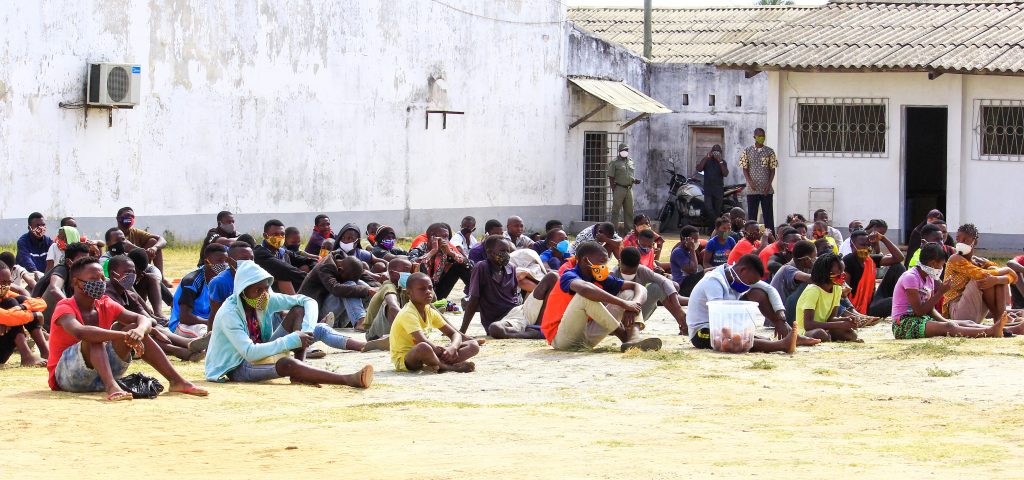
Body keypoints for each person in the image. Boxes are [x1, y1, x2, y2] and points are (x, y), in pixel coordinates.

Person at [48, 257, 208, 400]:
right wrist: (123, 335)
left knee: (134, 328)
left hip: (98, 375)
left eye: (102, 278)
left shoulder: (105, 303)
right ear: (76, 282)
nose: (100, 282)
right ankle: (111, 387)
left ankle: (176, 381)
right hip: (67, 376)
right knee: (94, 337)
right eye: (93, 279)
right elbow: (80, 332)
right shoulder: (65, 307)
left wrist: (139, 331)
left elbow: (143, 319)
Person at [204, 261, 373, 387]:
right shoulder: (230, 313)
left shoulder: (264, 300)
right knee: (286, 364)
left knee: (299, 311)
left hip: (261, 350)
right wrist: (291, 340)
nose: (264, 294)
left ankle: (300, 372)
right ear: (243, 291)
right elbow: (249, 353)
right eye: (258, 290)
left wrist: (306, 330)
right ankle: (348, 379)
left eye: (265, 289)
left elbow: (307, 301)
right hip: (236, 365)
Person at [540, 241, 661, 352]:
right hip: (562, 339)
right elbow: (585, 289)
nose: (605, 266)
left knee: (629, 293)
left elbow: (638, 287)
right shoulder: (569, 275)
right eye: (602, 262)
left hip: (586, 339)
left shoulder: (599, 276)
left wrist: (634, 305)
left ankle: (634, 337)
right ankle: (624, 336)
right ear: (586, 261)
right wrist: (623, 304)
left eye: (606, 262)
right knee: (584, 297)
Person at [686, 254, 812, 352]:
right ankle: (780, 345)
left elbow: (769, 289)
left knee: (759, 293)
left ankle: (789, 334)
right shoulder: (714, 282)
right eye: (750, 282)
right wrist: (746, 336)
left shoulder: (739, 276)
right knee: (733, 340)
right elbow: (721, 320)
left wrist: (780, 318)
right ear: (742, 270)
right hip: (703, 331)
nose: (749, 285)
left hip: (727, 324)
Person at [892, 244, 1015, 339]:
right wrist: (940, 293)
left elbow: (930, 309)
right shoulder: (911, 277)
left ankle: (995, 329)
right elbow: (918, 311)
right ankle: (990, 332)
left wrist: (945, 320)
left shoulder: (928, 277)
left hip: (921, 319)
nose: (941, 269)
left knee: (965, 322)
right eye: (941, 265)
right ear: (933, 263)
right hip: (903, 324)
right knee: (950, 327)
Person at [105, 255, 201, 362]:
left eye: (133, 272)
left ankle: (188, 343)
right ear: (113, 274)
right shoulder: (107, 295)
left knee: (150, 327)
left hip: (133, 334)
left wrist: (151, 327)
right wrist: (149, 328)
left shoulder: (130, 295)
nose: (132, 276)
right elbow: (120, 323)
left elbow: (150, 320)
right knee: (137, 328)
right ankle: (178, 350)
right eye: (128, 272)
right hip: (111, 339)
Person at [390, 272, 480, 373]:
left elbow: (454, 334)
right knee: (423, 347)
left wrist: (452, 348)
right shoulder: (408, 313)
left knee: (473, 345)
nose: (428, 292)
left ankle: (438, 364)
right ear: (409, 293)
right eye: (422, 289)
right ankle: (449, 367)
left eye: (430, 288)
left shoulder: (429, 311)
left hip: (431, 354)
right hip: (408, 358)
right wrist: (438, 351)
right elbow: (421, 340)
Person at [460, 236, 537, 334]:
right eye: (502, 250)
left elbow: (514, 298)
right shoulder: (482, 267)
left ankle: (531, 328)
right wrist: (462, 330)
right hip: (496, 319)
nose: (506, 254)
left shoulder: (511, 268)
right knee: (496, 329)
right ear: (490, 252)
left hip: (515, 312)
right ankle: (529, 332)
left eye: (508, 251)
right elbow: (474, 299)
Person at [942, 224, 1015, 324]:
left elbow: (1013, 278)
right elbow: (982, 274)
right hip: (958, 313)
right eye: (958, 239)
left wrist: (997, 279)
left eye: (965, 240)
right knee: (982, 277)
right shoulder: (955, 259)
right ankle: (999, 317)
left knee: (992, 272)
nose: (960, 243)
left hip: (975, 311)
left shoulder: (977, 261)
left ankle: (1000, 317)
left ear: (974, 242)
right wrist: (1007, 270)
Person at [614, 247, 688, 335]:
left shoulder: (641, 270)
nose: (629, 274)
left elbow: (665, 281)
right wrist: (627, 306)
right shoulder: (612, 274)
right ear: (619, 262)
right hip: (617, 317)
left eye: (632, 272)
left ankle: (683, 324)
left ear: (638, 265)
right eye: (625, 271)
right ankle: (625, 331)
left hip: (637, 314)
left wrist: (678, 308)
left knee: (657, 287)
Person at [297, 254, 377, 330]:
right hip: (314, 315)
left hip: (334, 318)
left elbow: (367, 279)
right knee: (350, 285)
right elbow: (335, 289)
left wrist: (380, 289)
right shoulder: (325, 267)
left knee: (361, 285)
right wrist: (368, 290)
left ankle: (364, 319)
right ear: (340, 270)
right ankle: (360, 320)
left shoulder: (347, 265)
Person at [168, 244, 229, 340]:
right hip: (183, 325)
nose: (224, 264)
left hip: (208, 322)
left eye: (226, 261)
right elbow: (185, 317)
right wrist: (211, 323)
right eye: (219, 261)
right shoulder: (192, 281)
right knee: (205, 332)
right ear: (206, 262)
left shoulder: (223, 280)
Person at [797, 253, 858, 342]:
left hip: (824, 328)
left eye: (843, 271)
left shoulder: (837, 289)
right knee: (819, 334)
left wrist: (847, 320)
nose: (843, 275)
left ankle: (829, 336)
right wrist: (840, 324)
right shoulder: (813, 291)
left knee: (851, 334)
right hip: (806, 331)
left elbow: (830, 319)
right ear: (825, 272)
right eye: (839, 273)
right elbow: (808, 324)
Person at [844, 229, 905, 317]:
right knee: (895, 300)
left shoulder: (870, 259)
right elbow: (845, 290)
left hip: (874, 300)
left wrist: (883, 238)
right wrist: (851, 311)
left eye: (868, 245)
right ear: (852, 245)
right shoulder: (848, 260)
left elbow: (899, 258)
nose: (865, 248)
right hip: (860, 307)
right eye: (862, 245)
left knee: (898, 267)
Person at [33, 242, 92, 331]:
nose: (85, 265)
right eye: (82, 261)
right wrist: (73, 308)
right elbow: (54, 288)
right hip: (39, 317)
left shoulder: (81, 276)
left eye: (87, 261)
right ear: (69, 262)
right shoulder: (62, 269)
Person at [0, 262, 48, 367]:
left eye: (9, 282)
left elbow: (41, 303)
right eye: (3, 282)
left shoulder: (5, 294)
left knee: (20, 300)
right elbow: (9, 317)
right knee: (11, 304)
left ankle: (45, 351)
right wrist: (35, 315)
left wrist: (23, 307)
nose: (6, 286)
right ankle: (26, 355)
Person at [408, 223, 472, 300]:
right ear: (433, 237)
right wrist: (432, 251)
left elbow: (469, 265)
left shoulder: (445, 249)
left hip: (438, 291)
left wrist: (451, 253)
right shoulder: (419, 249)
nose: (447, 240)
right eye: (444, 237)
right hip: (421, 292)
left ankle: (475, 296)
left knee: (459, 265)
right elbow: (413, 264)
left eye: (447, 237)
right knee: (420, 266)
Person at [487, 271, 556, 340]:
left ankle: (538, 330)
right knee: (495, 328)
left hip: (536, 318)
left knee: (553, 276)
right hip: (522, 314)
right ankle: (537, 331)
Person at [364, 258, 413, 341]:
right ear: (392, 273)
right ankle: (392, 336)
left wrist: (418, 276)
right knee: (391, 304)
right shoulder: (388, 286)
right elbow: (393, 307)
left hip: (383, 330)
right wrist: (412, 327)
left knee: (416, 300)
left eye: (410, 271)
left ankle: (395, 336)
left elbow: (432, 299)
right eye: (406, 270)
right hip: (373, 333)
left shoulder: (401, 288)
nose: (409, 274)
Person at [115, 207, 169, 283]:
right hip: (123, 267)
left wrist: (154, 248)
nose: (130, 218)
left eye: (132, 217)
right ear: (118, 218)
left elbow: (162, 240)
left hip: (139, 264)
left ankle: (161, 278)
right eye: (127, 215)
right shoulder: (113, 233)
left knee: (153, 241)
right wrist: (144, 252)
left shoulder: (135, 232)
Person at [253, 219, 307, 294]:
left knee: (305, 266)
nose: (280, 237)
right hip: (265, 291)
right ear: (265, 236)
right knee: (283, 277)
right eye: (275, 234)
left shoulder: (281, 251)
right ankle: (294, 303)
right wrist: (310, 278)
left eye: (282, 234)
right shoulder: (261, 254)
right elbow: (286, 269)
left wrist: (315, 265)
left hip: (283, 287)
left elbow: (303, 259)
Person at [771, 240, 817, 324]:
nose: (816, 259)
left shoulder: (806, 266)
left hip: (790, 311)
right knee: (812, 285)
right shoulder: (787, 269)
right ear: (806, 259)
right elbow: (812, 279)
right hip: (780, 316)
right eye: (814, 257)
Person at [739, 128, 777, 229]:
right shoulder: (747, 151)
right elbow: (745, 169)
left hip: (766, 190)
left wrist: (768, 185)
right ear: (754, 137)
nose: (761, 138)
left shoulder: (770, 151)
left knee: (768, 216)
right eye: (759, 136)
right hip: (752, 189)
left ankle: (770, 238)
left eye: (763, 136)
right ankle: (751, 235)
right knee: (752, 217)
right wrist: (750, 182)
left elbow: (772, 170)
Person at [608, 143, 640, 234]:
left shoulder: (630, 161)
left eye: (626, 150)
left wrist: (634, 181)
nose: (625, 152)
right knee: (616, 211)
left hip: (629, 189)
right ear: (619, 151)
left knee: (629, 211)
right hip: (619, 188)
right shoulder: (615, 162)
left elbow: (630, 175)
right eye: (623, 150)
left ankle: (628, 232)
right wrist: (614, 189)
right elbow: (611, 177)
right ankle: (613, 232)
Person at [697, 144, 728, 225]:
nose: (716, 153)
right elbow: (699, 169)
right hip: (708, 189)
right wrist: (706, 157)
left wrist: (720, 161)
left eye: (718, 152)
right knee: (708, 208)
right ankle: (716, 224)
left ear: (720, 153)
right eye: (714, 151)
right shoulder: (707, 161)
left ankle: (713, 229)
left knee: (717, 210)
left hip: (718, 190)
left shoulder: (723, 162)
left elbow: (725, 173)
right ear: (711, 152)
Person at [16, 212, 51, 279]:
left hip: (45, 277)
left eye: (43, 225)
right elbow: (27, 262)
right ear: (29, 228)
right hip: (28, 277)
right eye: (37, 226)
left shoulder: (48, 241)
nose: (41, 228)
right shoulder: (23, 242)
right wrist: (36, 272)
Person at [671, 226, 704, 296]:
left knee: (713, 270)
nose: (696, 242)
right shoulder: (678, 252)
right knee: (707, 273)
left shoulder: (689, 250)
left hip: (689, 280)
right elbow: (693, 270)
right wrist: (692, 249)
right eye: (694, 240)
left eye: (697, 240)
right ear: (685, 239)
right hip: (682, 285)